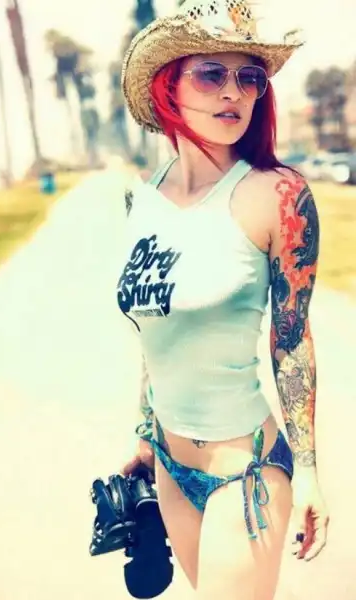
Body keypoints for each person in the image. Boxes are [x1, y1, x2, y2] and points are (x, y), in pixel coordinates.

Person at [117, 1, 329, 598]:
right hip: (169, 466)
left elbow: (292, 340)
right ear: (169, 86)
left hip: (246, 471)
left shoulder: (277, 196)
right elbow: (156, 330)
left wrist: (309, 470)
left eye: (249, 77)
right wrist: (144, 434)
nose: (234, 91)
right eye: (212, 73)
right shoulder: (142, 198)